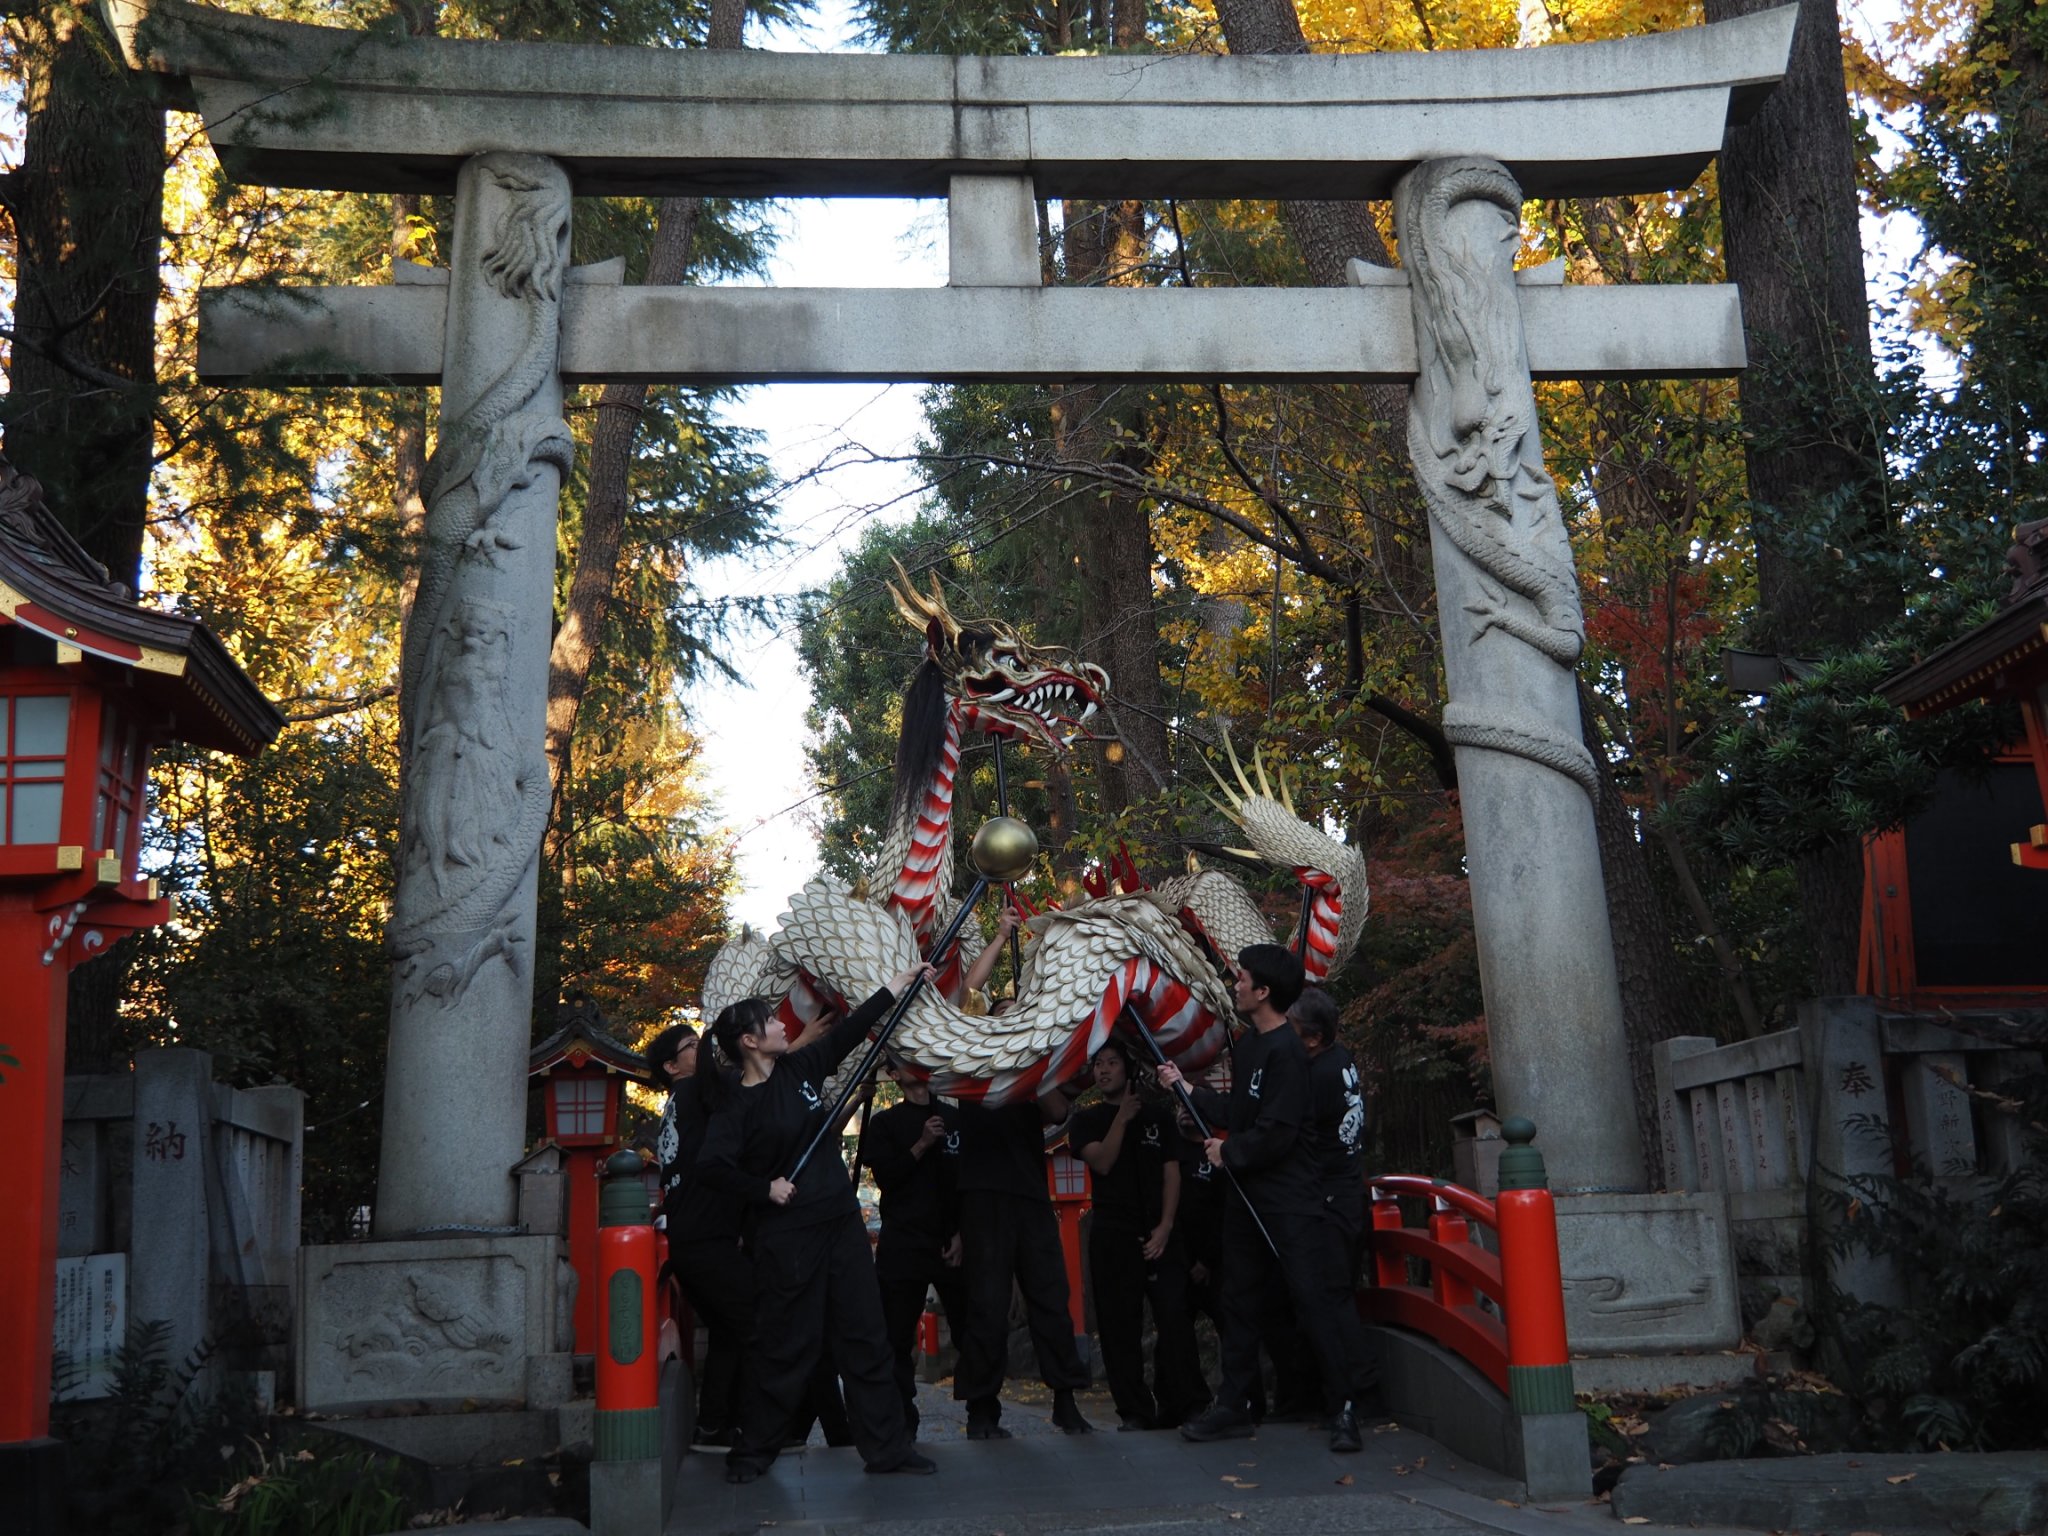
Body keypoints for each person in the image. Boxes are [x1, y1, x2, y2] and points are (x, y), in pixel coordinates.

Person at [697, 972, 940, 1484]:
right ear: (748, 1041)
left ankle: (887, 1448)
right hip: (787, 1238)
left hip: (840, 1223)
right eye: (769, 1021)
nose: (781, 1025)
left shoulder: (800, 1068)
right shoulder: (736, 1105)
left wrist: (897, 986)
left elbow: (850, 1032)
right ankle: (754, 1449)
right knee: (787, 1343)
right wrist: (765, 1188)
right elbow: (713, 1169)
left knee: (866, 1334)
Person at [1156, 944, 1379, 1454]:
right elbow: (1241, 1110)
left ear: (1263, 992)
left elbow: (1277, 1133)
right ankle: (1234, 1404)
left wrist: (1227, 1152)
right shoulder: (1250, 1045)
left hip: (1290, 1199)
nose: (1235, 984)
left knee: (1312, 1298)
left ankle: (1344, 1405)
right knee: (1238, 1297)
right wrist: (1184, 1088)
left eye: (1242, 979)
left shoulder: (1289, 1052)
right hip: (1245, 1196)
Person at [1067, 1038, 1209, 1430]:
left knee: (1175, 1317)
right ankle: (1134, 1410)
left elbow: (1172, 1173)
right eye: (1098, 1064)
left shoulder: (1159, 1116)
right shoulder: (1086, 1119)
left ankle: (1185, 1402)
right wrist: (1122, 1119)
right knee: (1118, 1326)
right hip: (1113, 1231)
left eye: (1112, 1061)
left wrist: (1165, 1226)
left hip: (1160, 1229)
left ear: (1128, 1068)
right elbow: (1103, 1161)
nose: (1104, 1070)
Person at [950, 1085, 1093, 1439]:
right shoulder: (967, 1049)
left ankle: (1065, 1398)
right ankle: (981, 1408)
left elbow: (1059, 1111)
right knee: (986, 1302)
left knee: (1051, 1295)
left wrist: (1030, 1073)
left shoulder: (1030, 1052)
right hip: (981, 1190)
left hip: (1030, 1190)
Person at [648, 1023, 750, 1448]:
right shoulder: (693, 1093)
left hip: (690, 1239)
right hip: (707, 1238)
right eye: (692, 1046)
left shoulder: (677, 1106)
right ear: (672, 1066)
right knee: (749, 1319)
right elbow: (746, 1074)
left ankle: (714, 1425)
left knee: (732, 1328)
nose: (702, 1050)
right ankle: (734, 1424)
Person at [859, 1054, 969, 1439]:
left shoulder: (955, 1120)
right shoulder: (885, 1123)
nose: (915, 1067)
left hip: (948, 1239)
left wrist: (960, 1233)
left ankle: (981, 1409)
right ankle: (901, 1418)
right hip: (902, 1239)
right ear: (893, 1074)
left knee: (971, 1325)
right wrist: (921, 1144)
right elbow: (888, 1178)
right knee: (896, 1332)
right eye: (904, 1062)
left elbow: (963, 1183)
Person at [1291, 987, 1367, 1275]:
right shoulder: (1340, 1056)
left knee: (1330, 1292)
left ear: (1313, 1038)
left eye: (1291, 1027)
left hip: (1331, 1199)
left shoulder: (1318, 1077)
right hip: (1349, 1188)